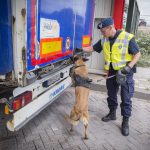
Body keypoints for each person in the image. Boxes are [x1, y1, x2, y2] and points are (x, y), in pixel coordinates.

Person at [83, 18, 141, 136]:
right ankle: (112, 113)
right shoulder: (104, 40)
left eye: (103, 31)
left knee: (126, 98)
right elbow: (92, 48)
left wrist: (128, 67)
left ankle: (125, 122)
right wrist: (78, 49)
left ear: (111, 28)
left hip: (125, 72)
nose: (102, 34)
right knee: (111, 94)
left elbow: (137, 54)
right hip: (112, 72)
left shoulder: (127, 37)